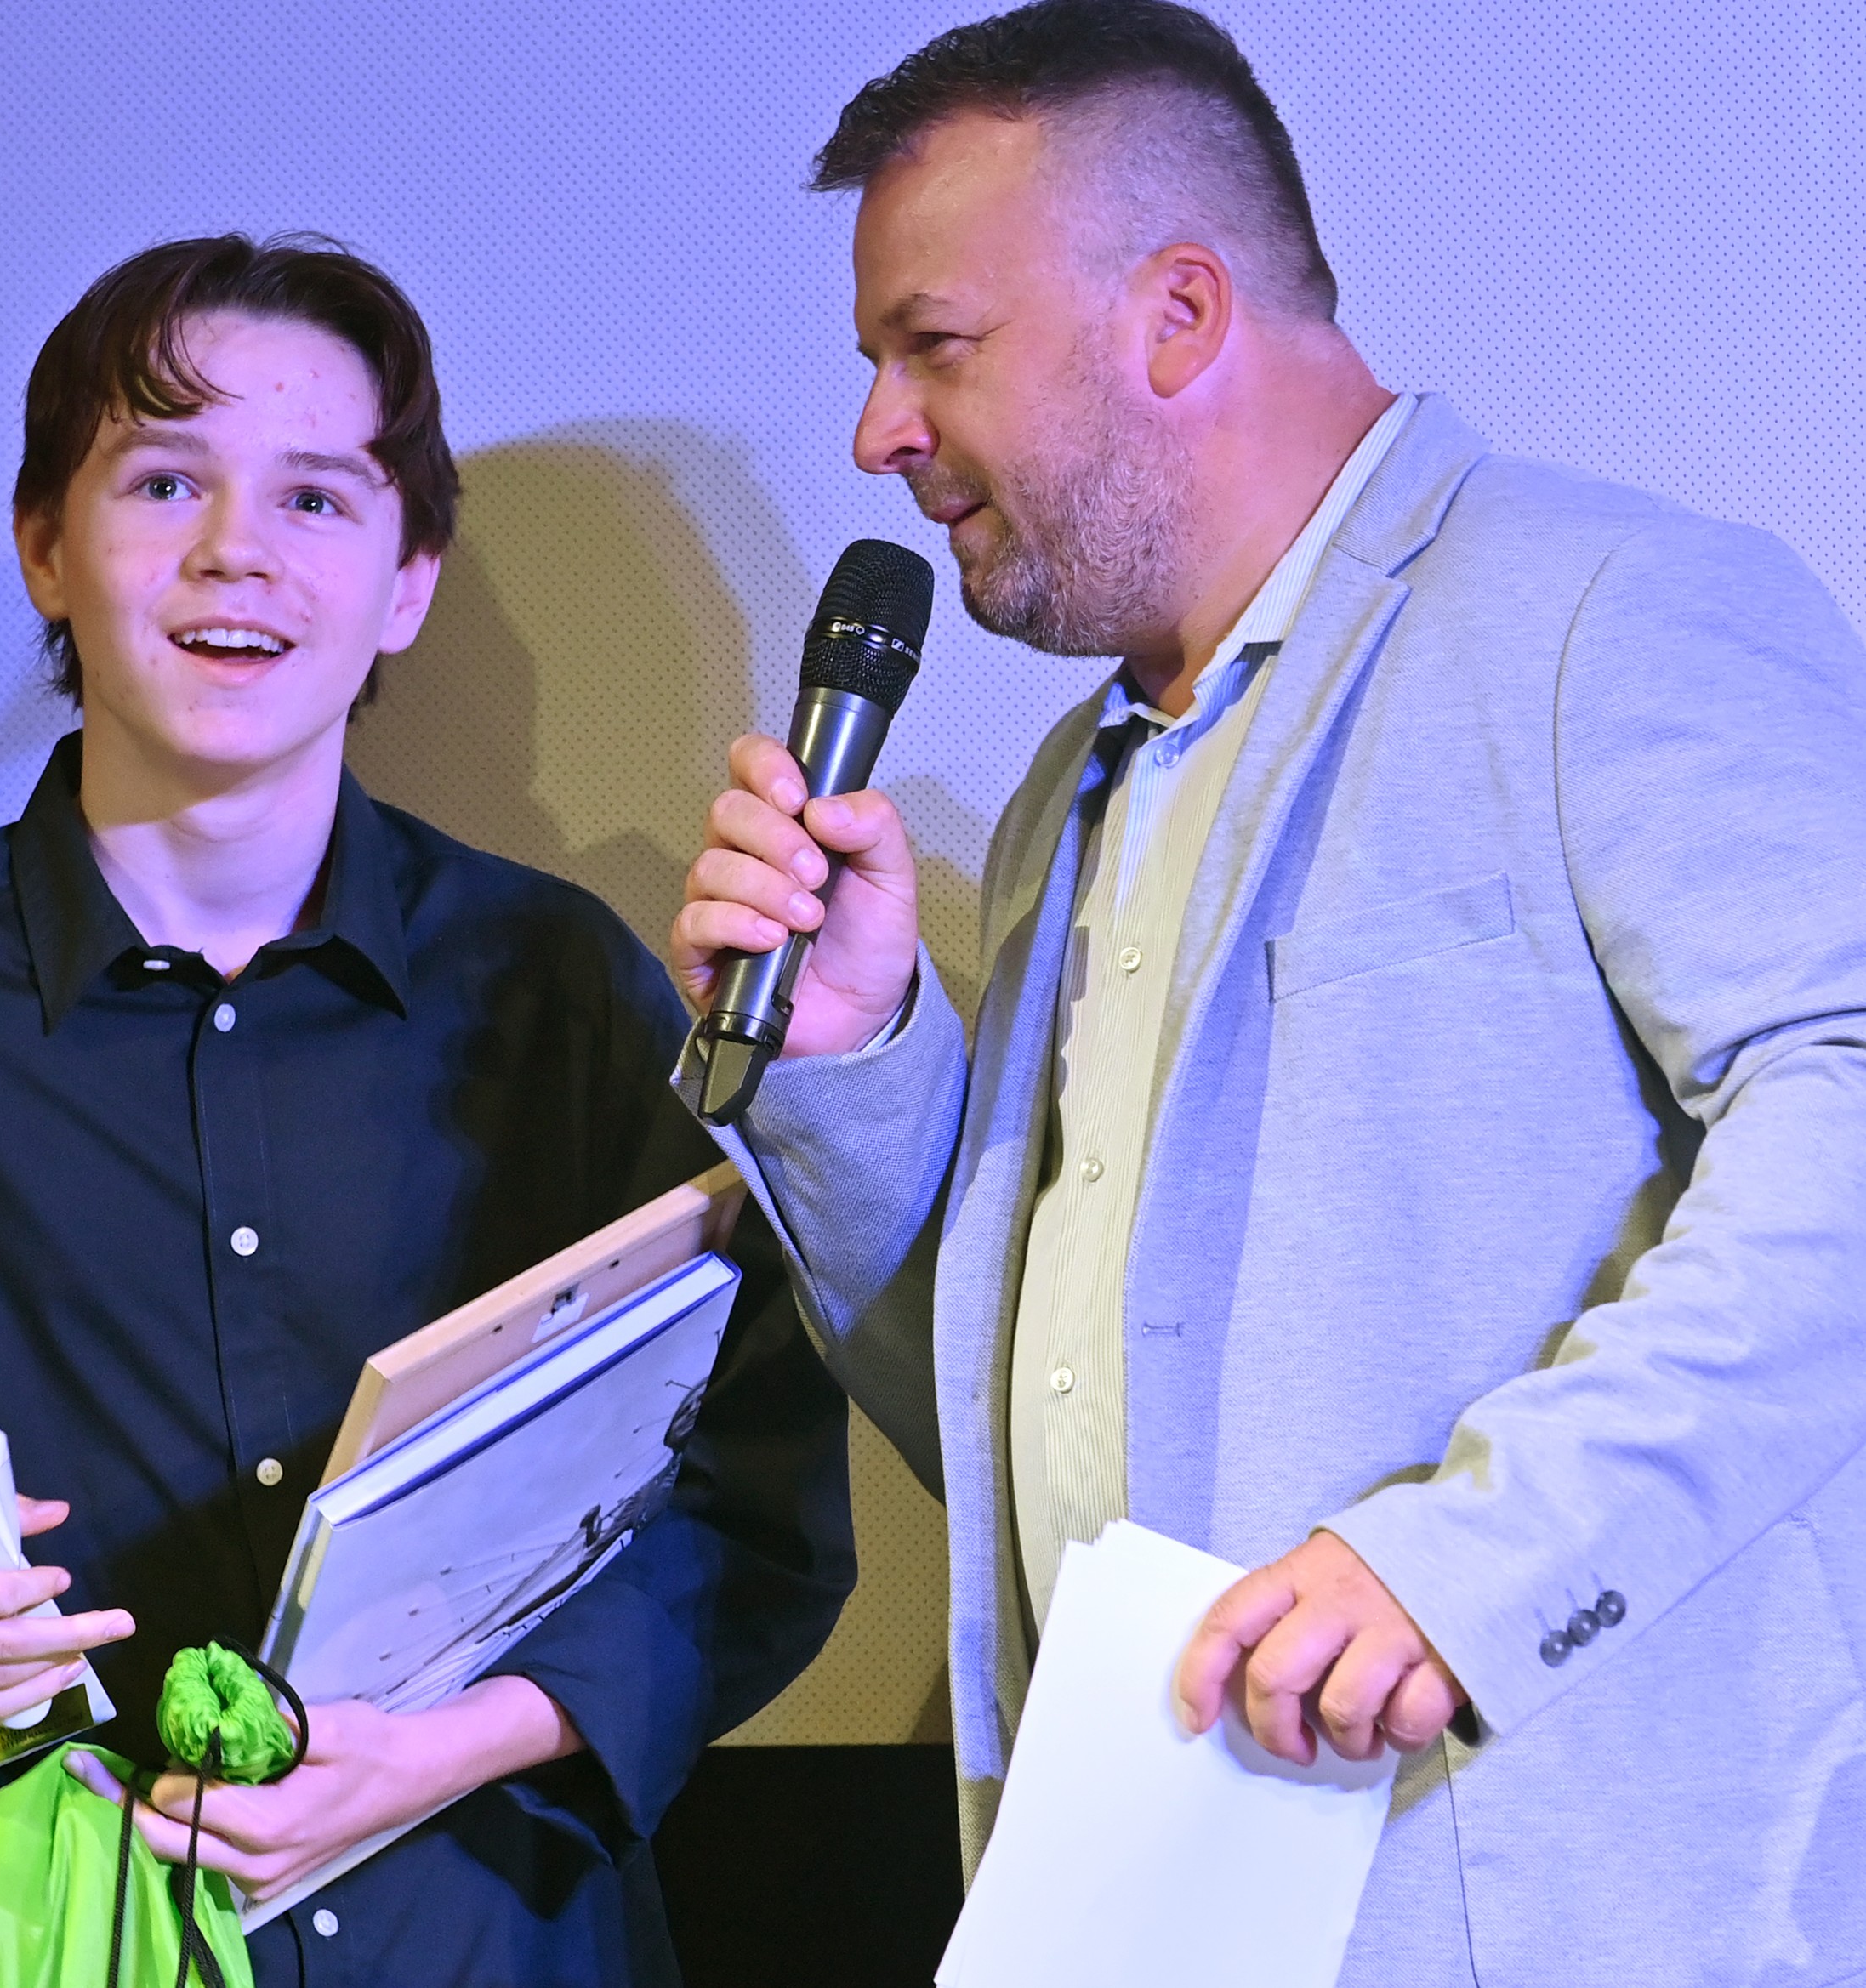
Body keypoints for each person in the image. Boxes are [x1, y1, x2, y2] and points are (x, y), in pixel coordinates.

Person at [669, 3, 1866, 1978]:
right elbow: (1017, 1414)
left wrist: (1470, 1567)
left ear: (1176, 313)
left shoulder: (1605, 611)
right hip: (1147, 1911)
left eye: (930, 344)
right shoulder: (1066, 794)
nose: (877, 430)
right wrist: (850, 1058)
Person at [0, 233, 854, 1985]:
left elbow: (752, 1485)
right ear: (46, 547)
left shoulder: (561, 987)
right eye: (163, 481)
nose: (235, 551)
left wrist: (450, 1743)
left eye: (316, 498)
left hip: (490, 1936)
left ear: (406, 581)